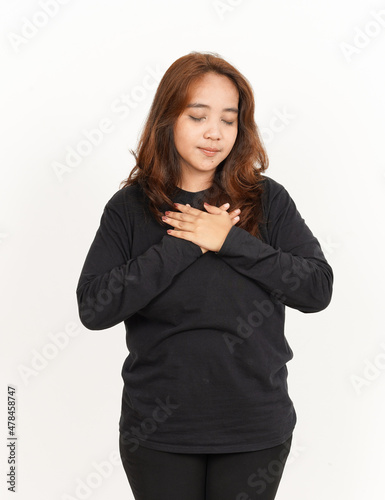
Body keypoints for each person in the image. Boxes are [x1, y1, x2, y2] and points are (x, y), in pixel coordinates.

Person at [76, 51, 333, 500]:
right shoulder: (131, 208)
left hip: (255, 429)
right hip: (158, 433)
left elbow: (316, 288)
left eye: (229, 120)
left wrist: (231, 240)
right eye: (198, 116)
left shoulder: (266, 201)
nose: (215, 133)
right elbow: (94, 308)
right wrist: (185, 243)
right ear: (167, 119)